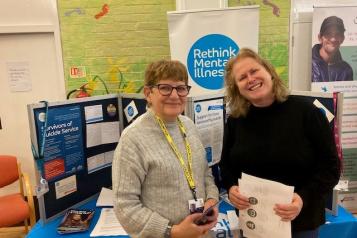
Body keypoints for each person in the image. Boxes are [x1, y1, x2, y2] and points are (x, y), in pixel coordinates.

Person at [220, 48, 340, 238]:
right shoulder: (236, 120)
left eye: (254, 71)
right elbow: (226, 165)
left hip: (300, 223)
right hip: (253, 222)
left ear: (270, 73)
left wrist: (302, 199)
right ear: (237, 88)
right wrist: (231, 187)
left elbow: (331, 168)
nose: (250, 79)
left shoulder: (307, 113)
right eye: (242, 77)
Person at [112, 59, 219, 238]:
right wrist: (173, 231)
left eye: (181, 88)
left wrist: (211, 200)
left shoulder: (189, 126)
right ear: (148, 93)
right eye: (165, 88)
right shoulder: (133, 138)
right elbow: (124, 206)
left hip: (202, 232)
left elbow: (204, 174)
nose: (175, 95)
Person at [312, 15, 353, 82]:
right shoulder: (308, 64)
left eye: (337, 34)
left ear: (342, 39)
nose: (333, 39)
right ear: (320, 38)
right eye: (328, 34)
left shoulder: (346, 70)